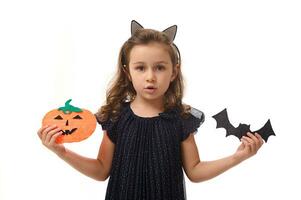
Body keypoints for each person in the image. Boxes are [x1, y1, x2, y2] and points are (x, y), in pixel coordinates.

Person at [37, 20, 264, 200]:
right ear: (128, 72)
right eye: (140, 68)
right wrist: (62, 152)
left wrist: (237, 158)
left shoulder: (181, 120)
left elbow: (195, 171)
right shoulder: (116, 117)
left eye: (160, 68)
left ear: (174, 72)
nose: (150, 77)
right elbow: (100, 170)